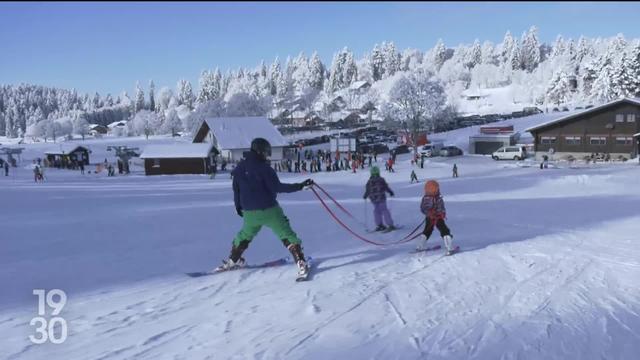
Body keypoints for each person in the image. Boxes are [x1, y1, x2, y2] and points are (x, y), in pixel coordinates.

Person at [218, 138, 314, 278]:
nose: (267, 155)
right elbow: (278, 187)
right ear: (260, 151)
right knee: (286, 234)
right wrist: (301, 186)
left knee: (244, 236)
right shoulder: (264, 168)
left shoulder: (239, 168)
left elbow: (236, 190)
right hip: (270, 210)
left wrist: (239, 208)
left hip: (249, 213)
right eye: (266, 152)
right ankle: (300, 262)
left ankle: (233, 260)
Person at [416, 180, 455, 255]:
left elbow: (423, 208)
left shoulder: (425, 198)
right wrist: (441, 213)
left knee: (427, 230)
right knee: (444, 230)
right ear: (435, 190)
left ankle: (420, 246)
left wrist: (428, 213)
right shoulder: (438, 198)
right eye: (437, 189)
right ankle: (449, 247)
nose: (439, 190)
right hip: (437, 218)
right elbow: (441, 207)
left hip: (429, 218)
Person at [363, 166, 396, 232]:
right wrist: (390, 192)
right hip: (381, 199)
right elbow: (386, 187)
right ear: (378, 172)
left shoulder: (369, 181)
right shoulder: (381, 180)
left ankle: (380, 224)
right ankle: (390, 224)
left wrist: (365, 195)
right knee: (384, 210)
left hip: (374, 199)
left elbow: (368, 190)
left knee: (377, 211)